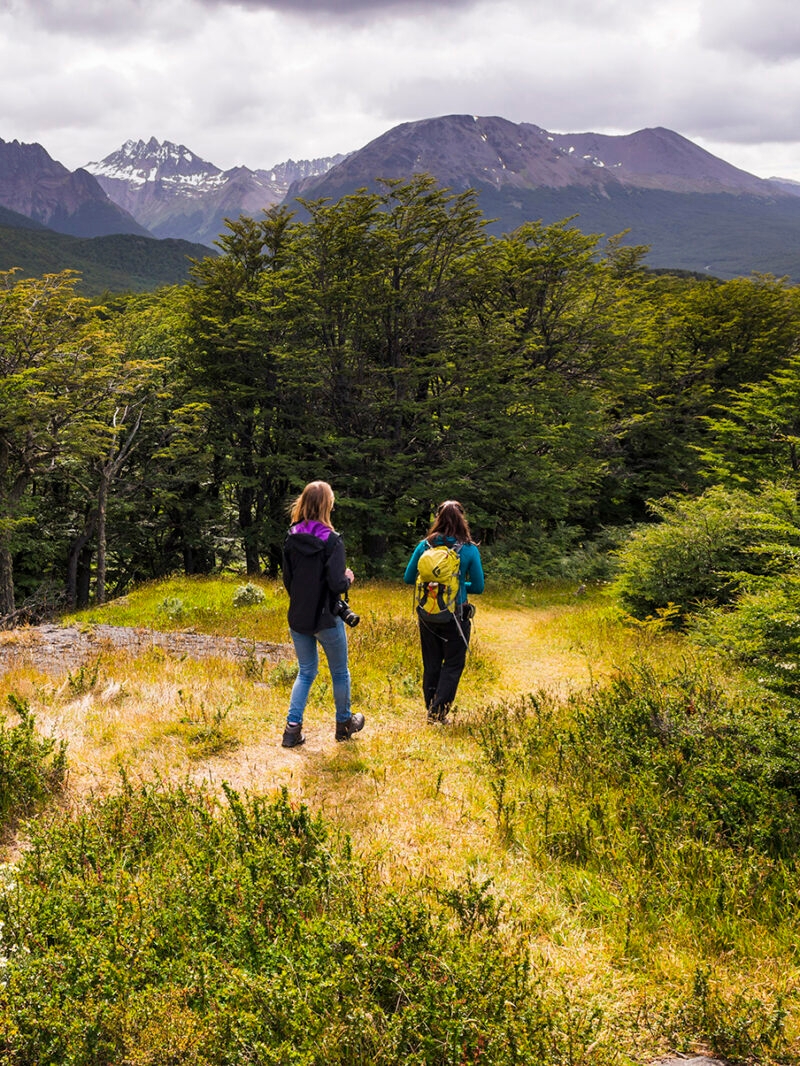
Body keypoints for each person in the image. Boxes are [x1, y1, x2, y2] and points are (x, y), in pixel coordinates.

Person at [281, 480, 365, 747]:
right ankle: (344, 725)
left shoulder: (291, 536)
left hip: (298, 616)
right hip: (326, 616)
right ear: (327, 505)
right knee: (340, 672)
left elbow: (288, 580)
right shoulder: (333, 541)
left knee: (306, 672)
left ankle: (291, 731)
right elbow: (336, 584)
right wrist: (348, 579)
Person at [403, 500, 484, 723]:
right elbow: (478, 587)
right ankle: (438, 713)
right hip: (456, 616)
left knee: (431, 662)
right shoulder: (468, 549)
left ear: (437, 518)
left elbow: (409, 578)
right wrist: (456, 586)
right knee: (453, 663)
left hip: (427, 614)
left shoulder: (424, 546)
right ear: (462, 519)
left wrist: (436, 588)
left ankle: (431, 706)